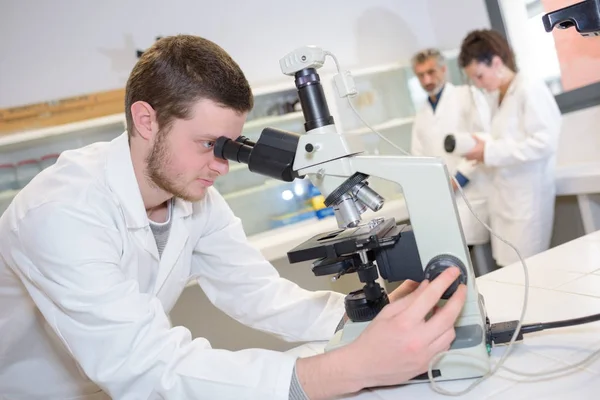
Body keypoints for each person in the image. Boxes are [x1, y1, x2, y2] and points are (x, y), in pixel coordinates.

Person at [0, 35, 467, 399]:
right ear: (146, 121)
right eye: (209, 144)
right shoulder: (61, 211)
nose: (222, 165)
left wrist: (365, 322)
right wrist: (344, 369)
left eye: (230, 147)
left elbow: (256, 293)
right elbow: (146, 366)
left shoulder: (192, 194)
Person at [458, 29, 562, 267]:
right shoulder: (497, 97)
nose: (478, 84)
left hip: (527, 202)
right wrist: (482, 145)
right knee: (511, 274)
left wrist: (489, 151)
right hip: (505, 202)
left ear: (496, 62)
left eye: (479, 76)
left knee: (529, 273)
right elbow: (506, 139)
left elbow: (544, 143)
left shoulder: (529, 88)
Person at [410, 48, 492, 247]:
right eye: (421, 75)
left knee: (479, 256)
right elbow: (417, 157)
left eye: (431, 72)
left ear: (443, 69)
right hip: (443, 199)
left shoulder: (466, 96)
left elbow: (483, 140)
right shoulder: (421, 116)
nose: (427, 79)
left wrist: (457, 180)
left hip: (472, 191)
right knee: (456, 257)